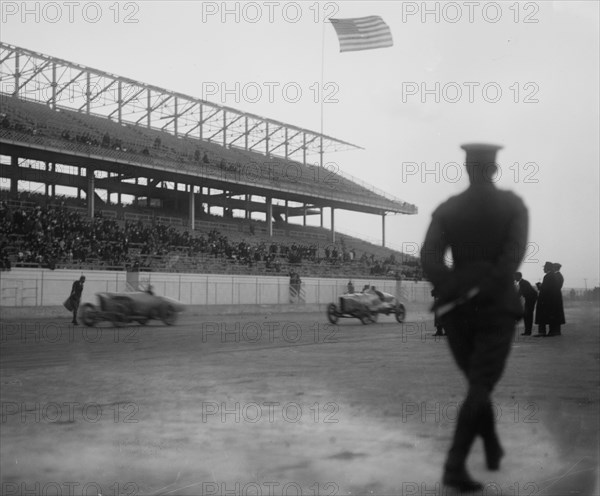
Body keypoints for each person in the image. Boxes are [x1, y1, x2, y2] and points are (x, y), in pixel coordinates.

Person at [420, 143, 528, 492]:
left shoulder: (447, 209)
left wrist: (454, 285)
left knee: (477, 385)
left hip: (457, 313)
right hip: (497, 309)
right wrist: (486, 286)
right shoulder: (513, 206)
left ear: (466, 169)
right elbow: (512, 258)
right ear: (494, 169)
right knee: (481, 385)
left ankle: (492, 446)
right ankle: (454, 465)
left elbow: (430, 259)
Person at [534, 262, 565, 337]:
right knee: (552, 315)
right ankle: (553, 331)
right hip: (552, 299)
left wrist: (539, 286)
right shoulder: (554, 275)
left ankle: (542, 332)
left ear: (548, 268)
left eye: (544, 267)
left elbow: (545, 289)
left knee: (543, 315)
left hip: (546, 300)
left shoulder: (548, 276)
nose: (543, 269)